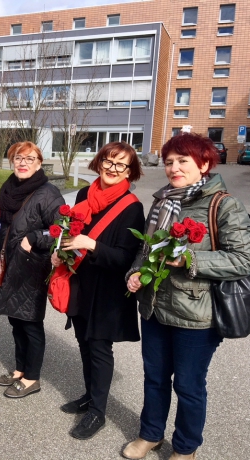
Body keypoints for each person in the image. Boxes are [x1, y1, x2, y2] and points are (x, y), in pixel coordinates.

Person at [124, 133, 250, 460]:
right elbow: (145, 249)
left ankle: (185, 447)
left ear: (204, 164)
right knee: (154, 378)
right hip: (154, 309)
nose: (173, 168)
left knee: (189, 387)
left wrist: (189, 260)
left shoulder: (223, 205)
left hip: (196, 316)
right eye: (169, 162)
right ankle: (151, 434)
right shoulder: (163, 201)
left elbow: (243, 259)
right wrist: (135, 273)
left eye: (183, 161)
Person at [50, 142, 145, 440]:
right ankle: (90, 396)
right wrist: (59, 252)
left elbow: (125, 259)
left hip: (107, 291)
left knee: (100, 349)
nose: (113, 169)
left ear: (130, 171)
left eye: (121, 165)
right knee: (84, 343)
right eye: (108, 161)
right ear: (99, 161)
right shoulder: (83, 195)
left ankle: (98, 412)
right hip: (81, 282)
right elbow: (70, 233)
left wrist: (90, 245)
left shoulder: (132, 207)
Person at [0, 141, 63, 399]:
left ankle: (32, 377)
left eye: (30, 159)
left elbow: (62, 230)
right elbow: (3, 224)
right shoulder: (9, 188)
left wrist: (34, 237)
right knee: (15, 320)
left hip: (32, 266)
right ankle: (20, 369)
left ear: (39, 163)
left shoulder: (48, 193)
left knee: (30, 322)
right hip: (11, 263)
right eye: (18, 158)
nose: (23, 163)